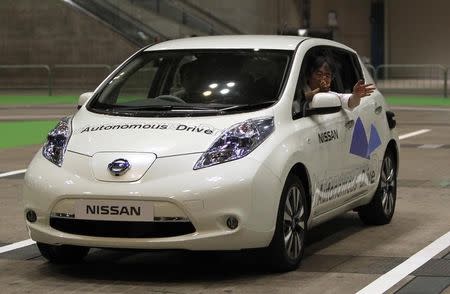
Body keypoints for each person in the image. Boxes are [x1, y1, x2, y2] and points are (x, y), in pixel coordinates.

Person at [304, 55, 375, 109]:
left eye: (327, 76)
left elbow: (350, 102)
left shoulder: (331, 95)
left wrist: (356, 95)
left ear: (332, 79)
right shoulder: (297, 89)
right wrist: (318, 92)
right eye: (319, 74)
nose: (323, 78)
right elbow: (298, 100)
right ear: (309, 75)